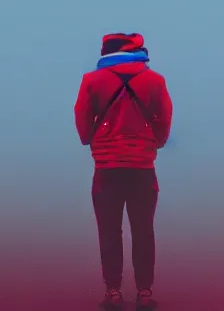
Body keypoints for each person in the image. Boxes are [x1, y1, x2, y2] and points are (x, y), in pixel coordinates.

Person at [74, 33, 173, 310]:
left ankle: (113, 291)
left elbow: (83, 129)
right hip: (142, 168)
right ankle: (144, 291)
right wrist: (156, 141)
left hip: (107, 168)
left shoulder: (91, 81)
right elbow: (164, 121)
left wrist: (96, 138)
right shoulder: (155, 81)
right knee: (143, 230)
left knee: (109, 231)